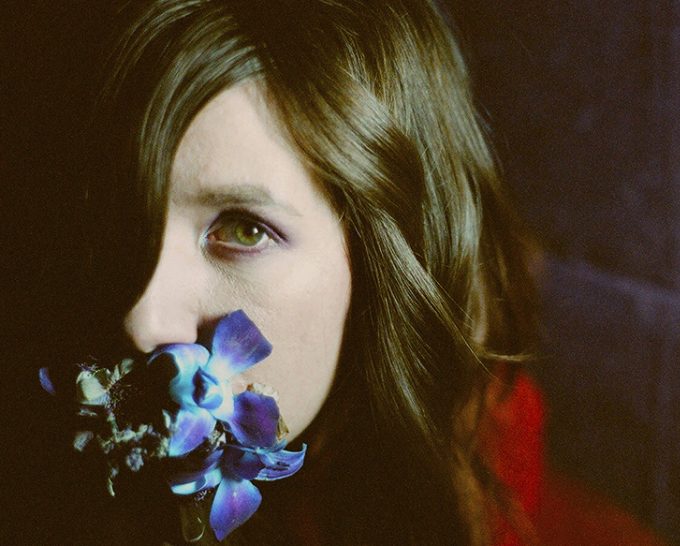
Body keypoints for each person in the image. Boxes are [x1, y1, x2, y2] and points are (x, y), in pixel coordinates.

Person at [25, 0, 540, 544]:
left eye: (244, 229)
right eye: (124, 219)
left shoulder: (491, 472)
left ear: (384, 260)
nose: (143, 319)